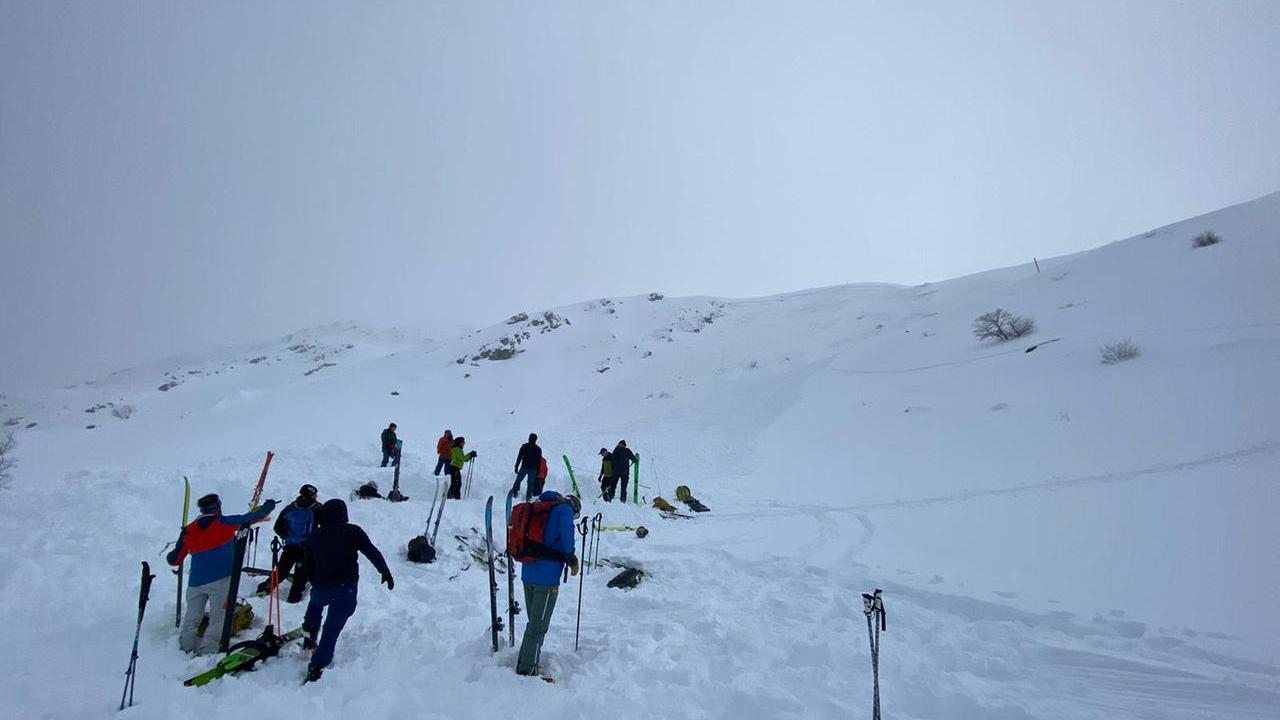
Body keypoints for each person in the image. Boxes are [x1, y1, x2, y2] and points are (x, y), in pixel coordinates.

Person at [166, 493, 278, 654]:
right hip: (222, 581)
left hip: (196, 582)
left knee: (192, 617)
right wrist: (269, 506)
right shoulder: (225, 523)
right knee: (219, 617)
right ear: (218, 507)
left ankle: (185, 648)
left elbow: (174, 560)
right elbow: (253, 517)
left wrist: (183, 541)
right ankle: (208, 650)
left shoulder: (189, 530)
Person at [303, 498, 394, 682]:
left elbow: (308, 566)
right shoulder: (352, 532)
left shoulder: (314, 536)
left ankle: (309, 632)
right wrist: (385, 571)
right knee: (331, 630)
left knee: (315, 605)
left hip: (321, 588)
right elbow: (371, 551)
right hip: (346, 589)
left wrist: (315, 582)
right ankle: (317, 665)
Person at [515, 492, 580, 677]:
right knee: (538, 626)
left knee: (534, 623)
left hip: (528, 571)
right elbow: (567, 537)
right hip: (547, 577)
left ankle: (527, 662)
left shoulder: (539, 507)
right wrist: (572, 559)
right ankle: (527, 669)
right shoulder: (564, 510)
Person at [272, 484, 319, 604]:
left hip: (290, 546)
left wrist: (288, 537)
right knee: (300, 577)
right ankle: (293, 601)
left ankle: (263, 590)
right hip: (306, 548)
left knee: (281, 572)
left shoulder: (291, 507)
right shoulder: (317, 508)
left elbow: (277, 527)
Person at [511, 433, 542, 500]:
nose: (531, 440)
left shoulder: (538, 449)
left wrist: (538, 472)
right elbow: (519, 456)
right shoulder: (524, 446)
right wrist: (516, 465)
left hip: (532, 469)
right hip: (525, 467)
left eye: (532, 439)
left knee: (530, 484)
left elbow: (539, 461)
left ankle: (528, 497)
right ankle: (515, 492)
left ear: (535, 440)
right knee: (518, 480)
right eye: (530, 438)